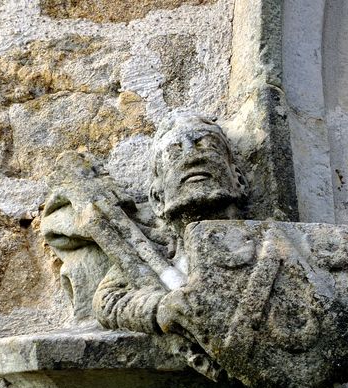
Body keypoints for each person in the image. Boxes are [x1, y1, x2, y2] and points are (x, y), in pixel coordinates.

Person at [92, 112, 248, 336]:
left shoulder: (268, 241)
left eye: (208, 146)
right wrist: (160, 309)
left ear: (239, 181)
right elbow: (108, 300)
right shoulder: (160, 252)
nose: (192, 156)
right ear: (157, 198)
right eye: (175, 153)